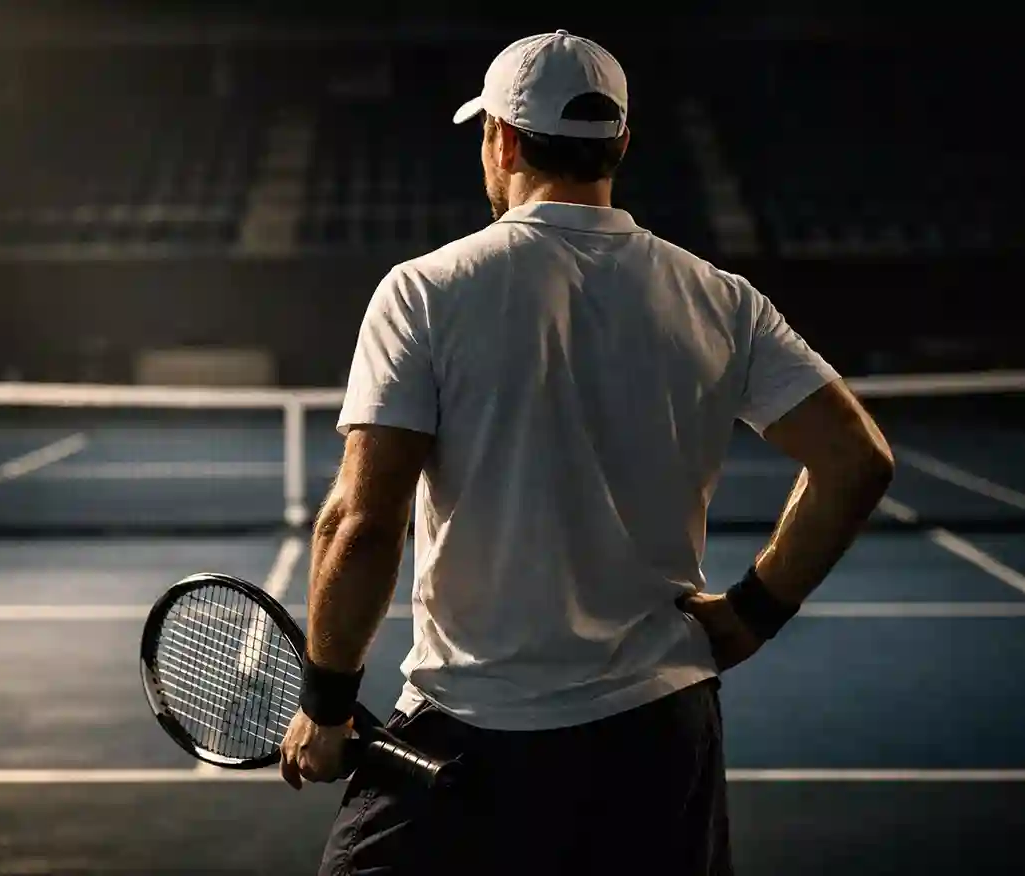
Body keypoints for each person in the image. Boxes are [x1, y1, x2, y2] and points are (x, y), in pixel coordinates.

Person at [279, 30, 895, 875]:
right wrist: (754, 611)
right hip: (659, 736)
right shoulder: (720, 298)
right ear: (621, 144)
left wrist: (326, 702)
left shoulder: (424, 290)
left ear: (499, 137)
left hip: (475, 739)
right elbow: (857, 461)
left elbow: (360, 523)